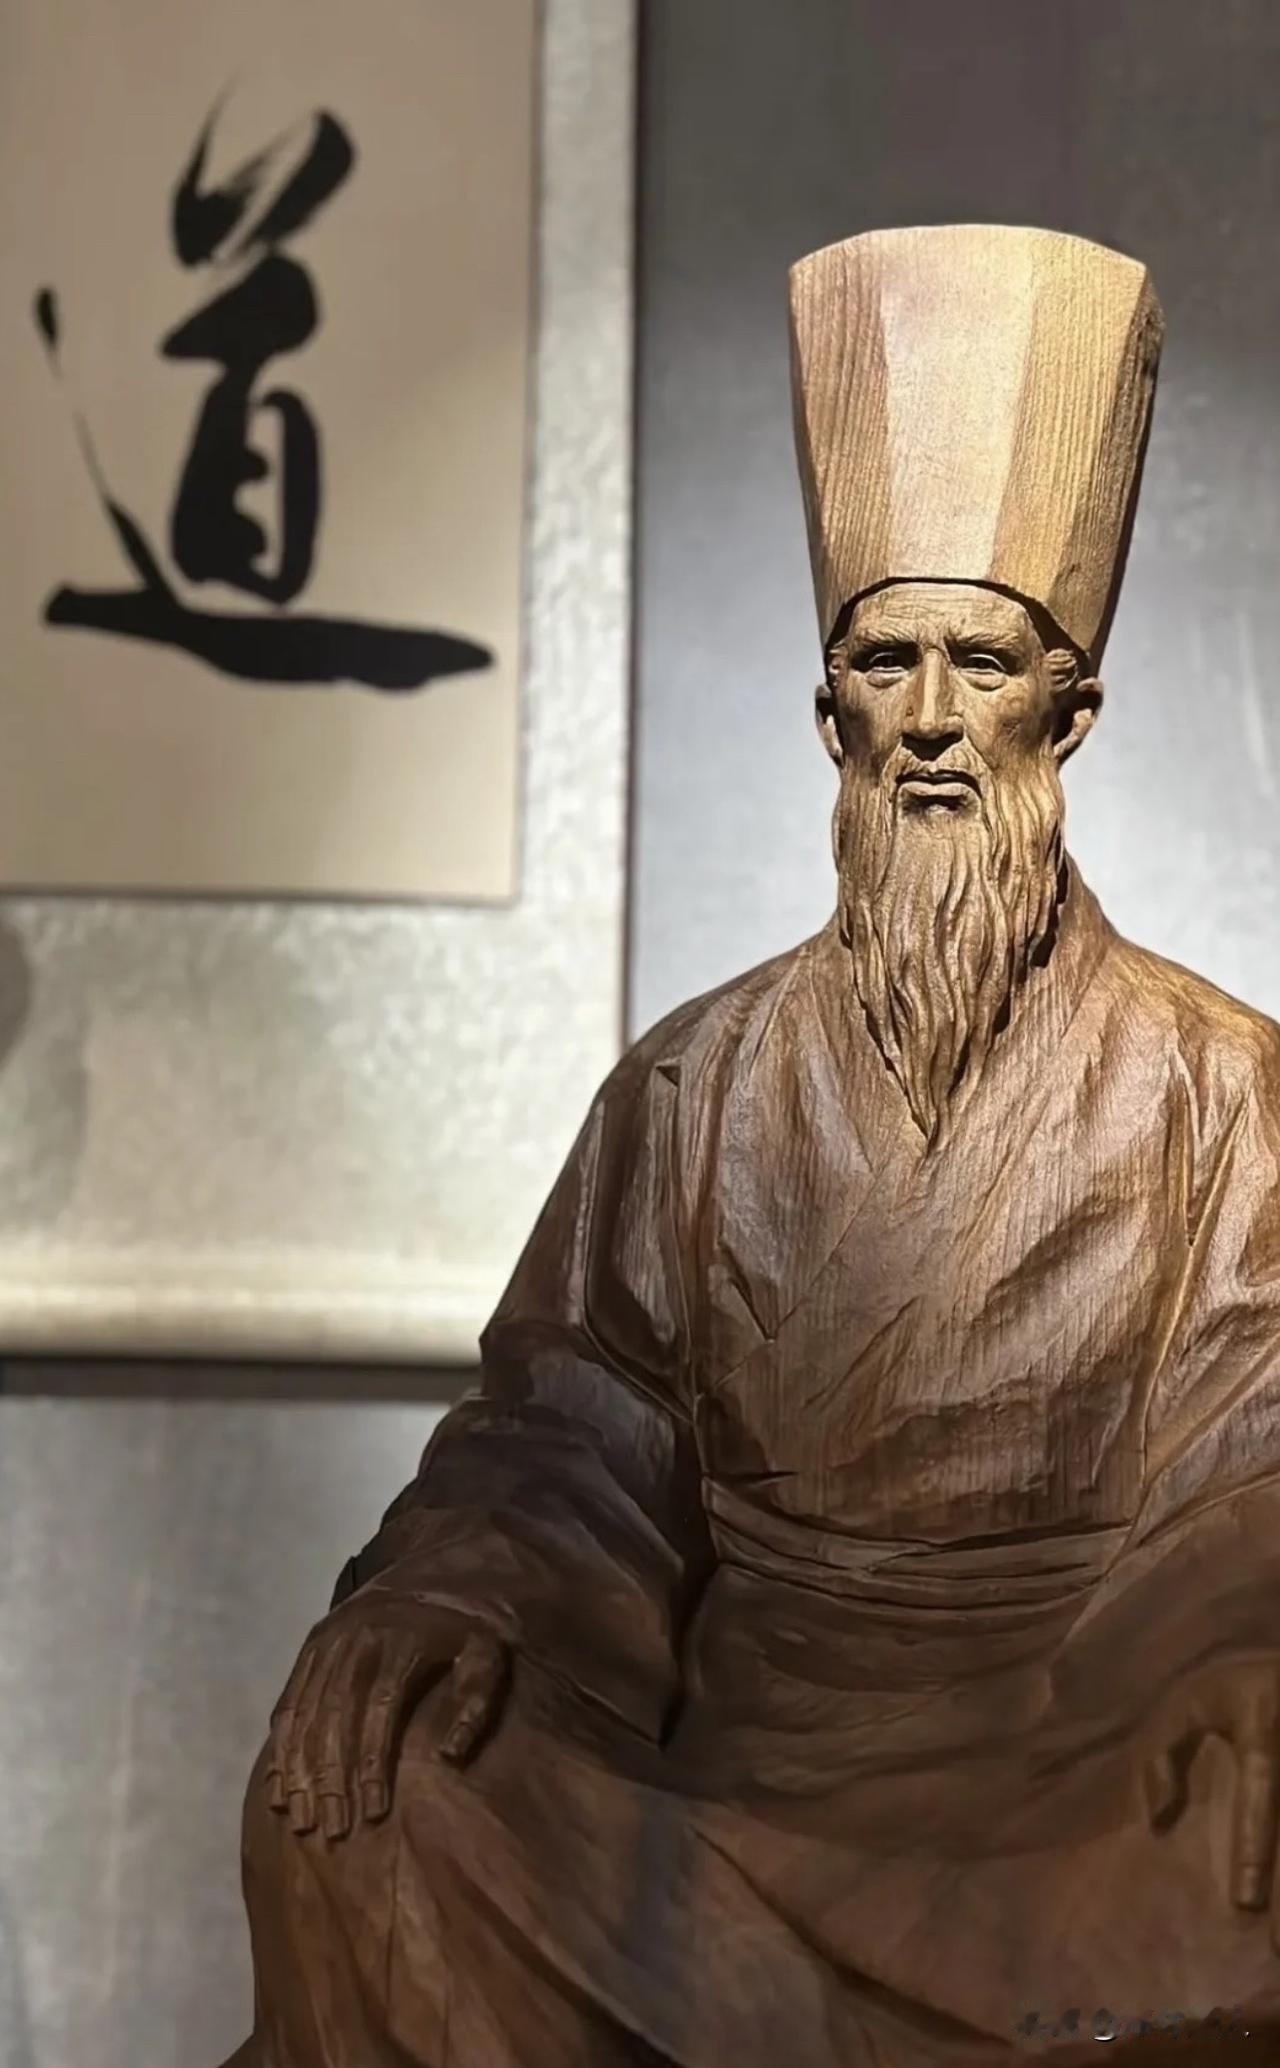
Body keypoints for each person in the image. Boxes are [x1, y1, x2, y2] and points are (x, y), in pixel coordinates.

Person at [220, 227, 1280, 2065]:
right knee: (364, 1806)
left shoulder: (1222, 1085)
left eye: (982, 662)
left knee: (1253, 1851)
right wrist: (458, 1589)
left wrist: (1238, 1647)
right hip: (730, 1761)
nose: (931, 720)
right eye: (884, 663)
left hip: (1087, 1749)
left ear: (1071, 709)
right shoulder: (695, 1085)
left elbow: (1255, 1454)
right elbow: (572, 1435)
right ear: (827, 710)